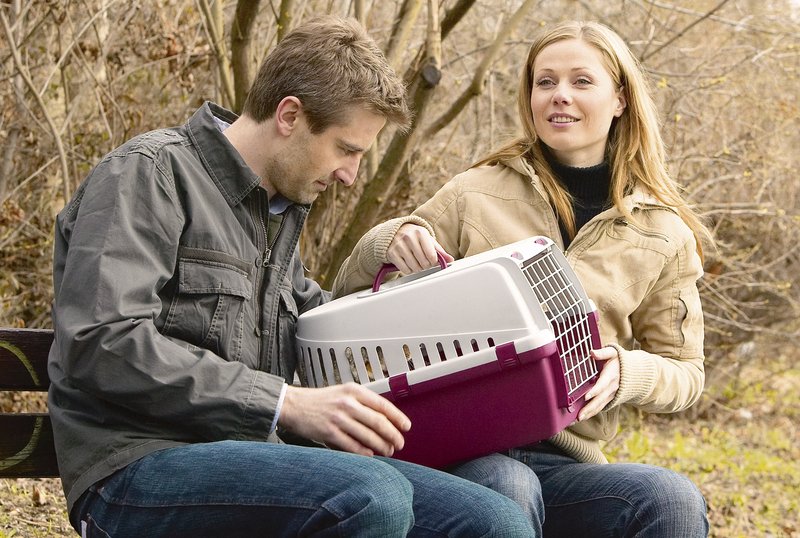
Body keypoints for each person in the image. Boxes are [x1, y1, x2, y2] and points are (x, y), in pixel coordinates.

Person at [48, 16, 538, 537]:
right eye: (347, 149)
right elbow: (101, 341)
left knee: (493, 520)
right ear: (289, 115)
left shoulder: (277, 216)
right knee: (370, 497)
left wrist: (443, 327)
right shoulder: (148, 175)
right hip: (136, 468)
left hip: (259, 464)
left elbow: (329, 324)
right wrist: (286, 403)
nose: (350, 175)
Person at [333, 20, 711, 537]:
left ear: (620, 99)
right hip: (462, 447)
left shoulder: (662, 231)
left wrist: (629, 372)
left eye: (582, 81)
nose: (560, 96)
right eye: (545, 81)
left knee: (670, 498)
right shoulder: (474, 192)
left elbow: (686, 373)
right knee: (509, 486)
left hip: (567, 458)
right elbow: (349, 294)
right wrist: (388, 241)